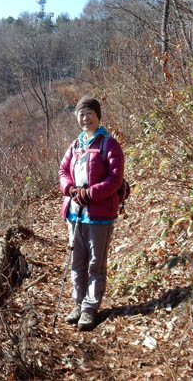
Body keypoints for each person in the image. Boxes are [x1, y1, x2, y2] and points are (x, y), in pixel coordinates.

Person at [58, 96, 124, 331]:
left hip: (99, 214)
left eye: (89, 114)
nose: (85, 118)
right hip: (75, 214)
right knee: (77, 262)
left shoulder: (109, 144)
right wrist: (71, 189)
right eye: (81, 114)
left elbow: (115, 179)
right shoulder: (75, 145)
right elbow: (63, 171)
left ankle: (89, 308)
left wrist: (91, 194)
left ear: (98, 116)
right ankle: (78, 303)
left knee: (95, 264)